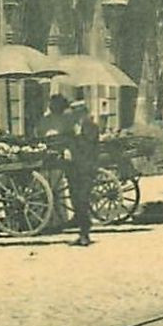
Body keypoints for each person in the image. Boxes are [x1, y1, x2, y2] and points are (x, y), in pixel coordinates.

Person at [63, 100, 101, 246]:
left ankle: (85, 233)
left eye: (77, 113)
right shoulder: (72, 128)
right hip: (73, 169)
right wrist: (66, 149)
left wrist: (78, 136)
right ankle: (82, 230)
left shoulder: (91, 127)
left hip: (87, 169)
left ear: (83, 113)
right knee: (75, 200)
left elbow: (88, 146)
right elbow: (68, 143)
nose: (74, 116)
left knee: (82, 199)